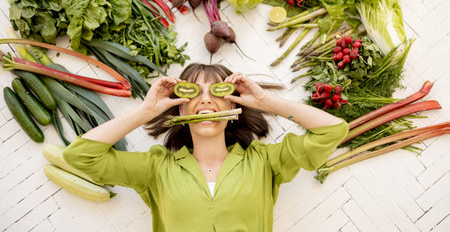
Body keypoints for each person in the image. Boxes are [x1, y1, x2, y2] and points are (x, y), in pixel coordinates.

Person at [63, 63, 348, 232]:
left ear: (233, 103)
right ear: (180, 105)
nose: (206, 101)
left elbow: (332, 130)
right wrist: (147, 110)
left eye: (216, 92)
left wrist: (267, 103)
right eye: (194, 93)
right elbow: (80, 155)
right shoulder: (155, 168)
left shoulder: (265, 162)